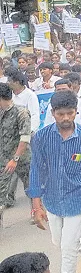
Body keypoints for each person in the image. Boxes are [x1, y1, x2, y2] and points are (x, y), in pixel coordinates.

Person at [28, 91, 81, 273]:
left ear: (76, 112)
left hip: (79, 197)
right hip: (52, 198)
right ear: (53, 113)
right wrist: (36, 205)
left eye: (70, 113)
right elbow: (36, 170)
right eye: (61, 114)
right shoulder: (41, 137)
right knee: (59, 240)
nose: (66, 118)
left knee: (67, 246)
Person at [0, 83, 31, 222]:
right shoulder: (1, 113)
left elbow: (24, 138)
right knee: (1, 192)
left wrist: (15, 158)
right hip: (4, 160)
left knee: (30, 187)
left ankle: (37, 210)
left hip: (22, 159)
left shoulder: (21, 112)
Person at [6, 68, 39, 133]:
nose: (7, 83)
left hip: (24, 131)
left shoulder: (30, 95)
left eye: (9, 81)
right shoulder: (8, 94)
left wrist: (29, 131)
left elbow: (34, 115)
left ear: (17, 82)